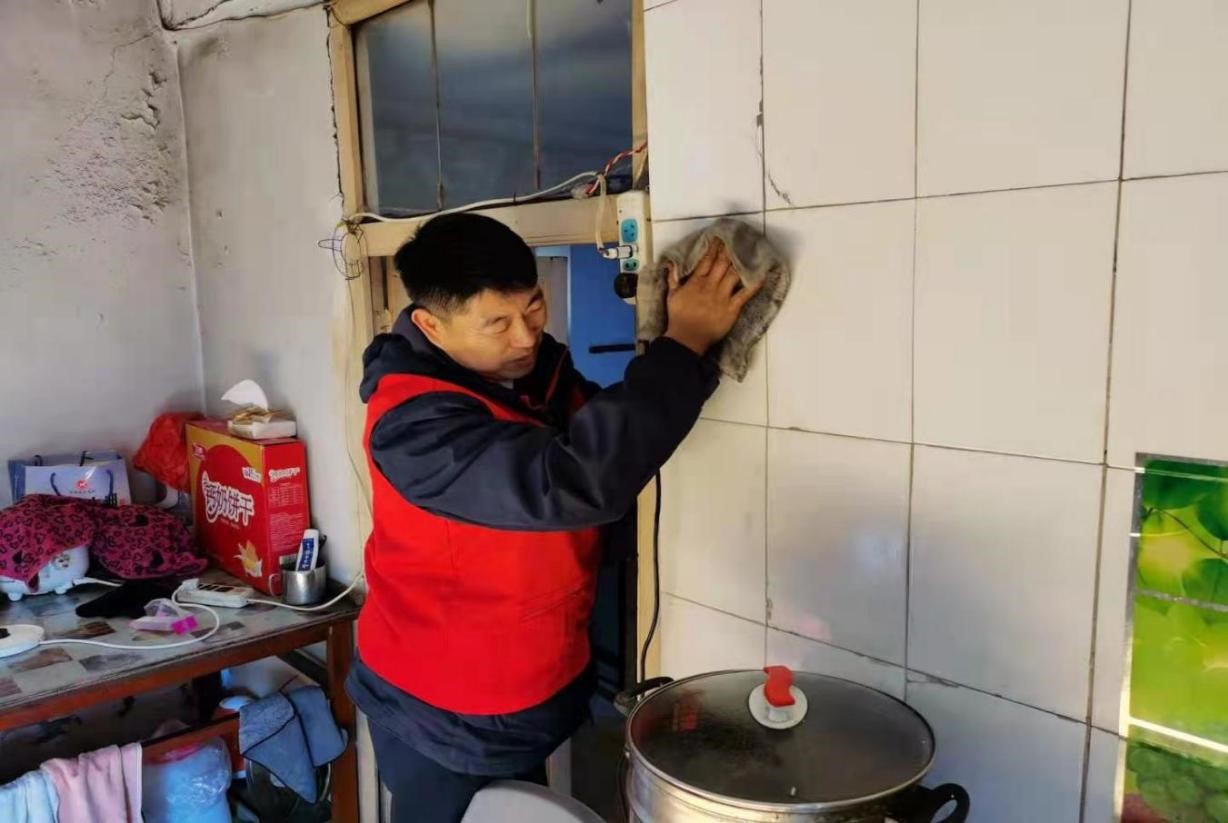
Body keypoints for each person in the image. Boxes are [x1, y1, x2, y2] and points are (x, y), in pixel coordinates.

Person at [345, 212, 760, 822]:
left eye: (534, 307)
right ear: (432, 325)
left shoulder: (528, 368)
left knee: (517, 810)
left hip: (526, 683)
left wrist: (685, 351)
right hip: (439, 708)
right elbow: (573, 480)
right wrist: (684, 344)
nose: (525, 337)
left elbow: (607, 430)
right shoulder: (415, 428)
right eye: (497, 323)